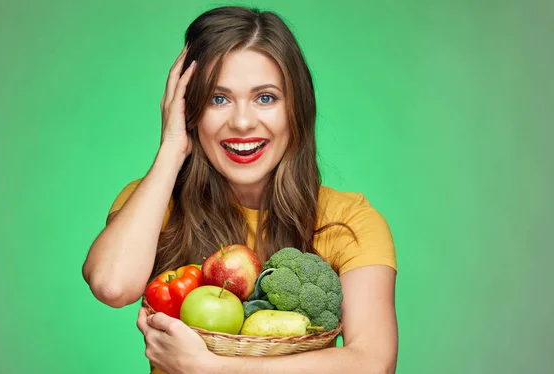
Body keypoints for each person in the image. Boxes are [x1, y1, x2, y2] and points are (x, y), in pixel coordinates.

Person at [82, 5, 398, 374]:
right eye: (218, 98)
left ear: (296, 109)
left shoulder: (349, 221)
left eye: (265, 97)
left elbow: (374, 363)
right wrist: (171, 149)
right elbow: (111, 285)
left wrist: (210, 368)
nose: (243, 122)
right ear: (190, 110)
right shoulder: (153, 202)